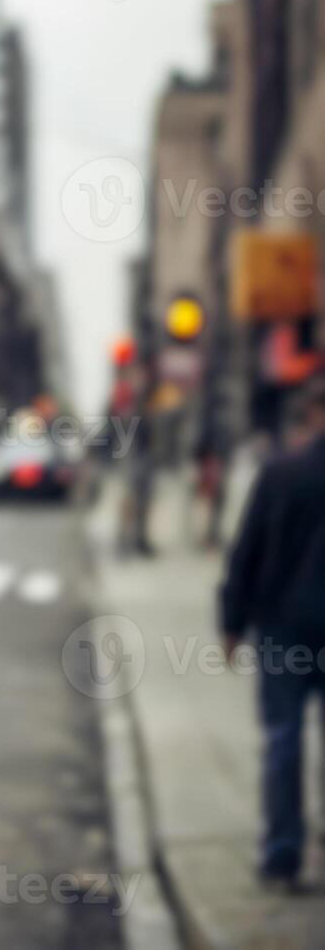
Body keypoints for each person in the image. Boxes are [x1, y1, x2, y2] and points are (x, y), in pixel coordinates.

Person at [221, 375, 325, 892]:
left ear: (311, 415)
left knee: (283, 739)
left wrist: (231, 622)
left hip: (285, 628)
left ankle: (283, 854)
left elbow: (249, 549)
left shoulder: (280, 474)